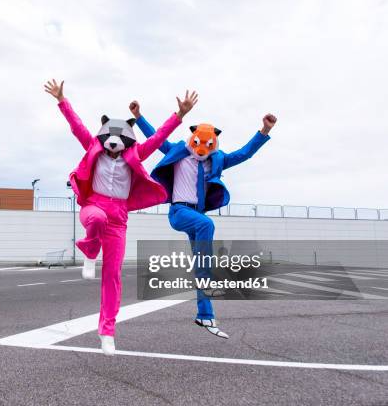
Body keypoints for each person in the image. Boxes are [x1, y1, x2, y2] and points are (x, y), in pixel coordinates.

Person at [44, 79, 198, 355]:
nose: (113, 144)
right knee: (96, 220)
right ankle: (90, 252)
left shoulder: (136, 154)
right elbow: (77, 127)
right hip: (95, 206)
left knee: (113, 274)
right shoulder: (92, 146)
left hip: (119, 217)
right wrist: (62, 101)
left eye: (119, 140)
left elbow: (158, 138)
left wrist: (180, 115)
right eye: (109, 139)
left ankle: (107, 331)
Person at [130, 99, 277, 339]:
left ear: (214, 144)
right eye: (199, 144)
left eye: (208, 146)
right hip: (179, 212)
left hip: (196, 215)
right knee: (207, 224)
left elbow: (244, 154)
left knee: (201, 264)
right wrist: (138, 117)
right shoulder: (178, 151)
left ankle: (205, 315)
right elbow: (157, 138)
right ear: (192, 139)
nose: (202, 150)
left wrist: (265, 131)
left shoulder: (216, 160)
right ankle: (208, 281)